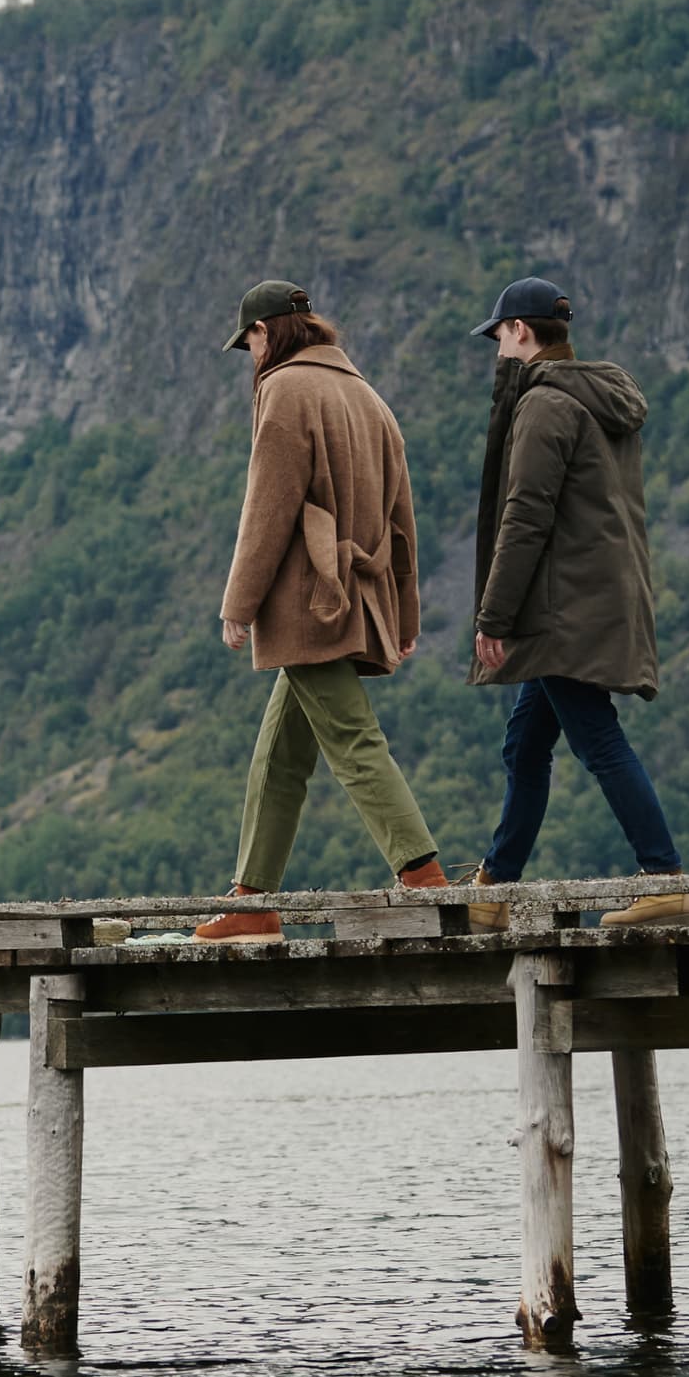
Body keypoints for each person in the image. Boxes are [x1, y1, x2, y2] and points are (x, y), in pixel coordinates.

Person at [198, 279, 448, 942]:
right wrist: (405, 613)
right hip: (359, 597)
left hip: (308, 602)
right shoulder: (368, 395)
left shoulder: (283, 390)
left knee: (354, 742)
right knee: (279, 756)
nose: (249, 354)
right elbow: (402, 520)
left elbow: (269, 508)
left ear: (267, 332)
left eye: (248, 341)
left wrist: (239, 604)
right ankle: (252, 901)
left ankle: (425, 879)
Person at [467, 275, 689, 930]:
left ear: (523, 332)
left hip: (562, 608)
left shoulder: (544, 405)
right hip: (592, 597)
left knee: (596, 739)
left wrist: (494, 615)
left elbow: (526, 515)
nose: (497, 349)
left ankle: (665, 880)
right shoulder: (598, 396)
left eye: (500, 336)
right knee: (525, 744)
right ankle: (492, 887)